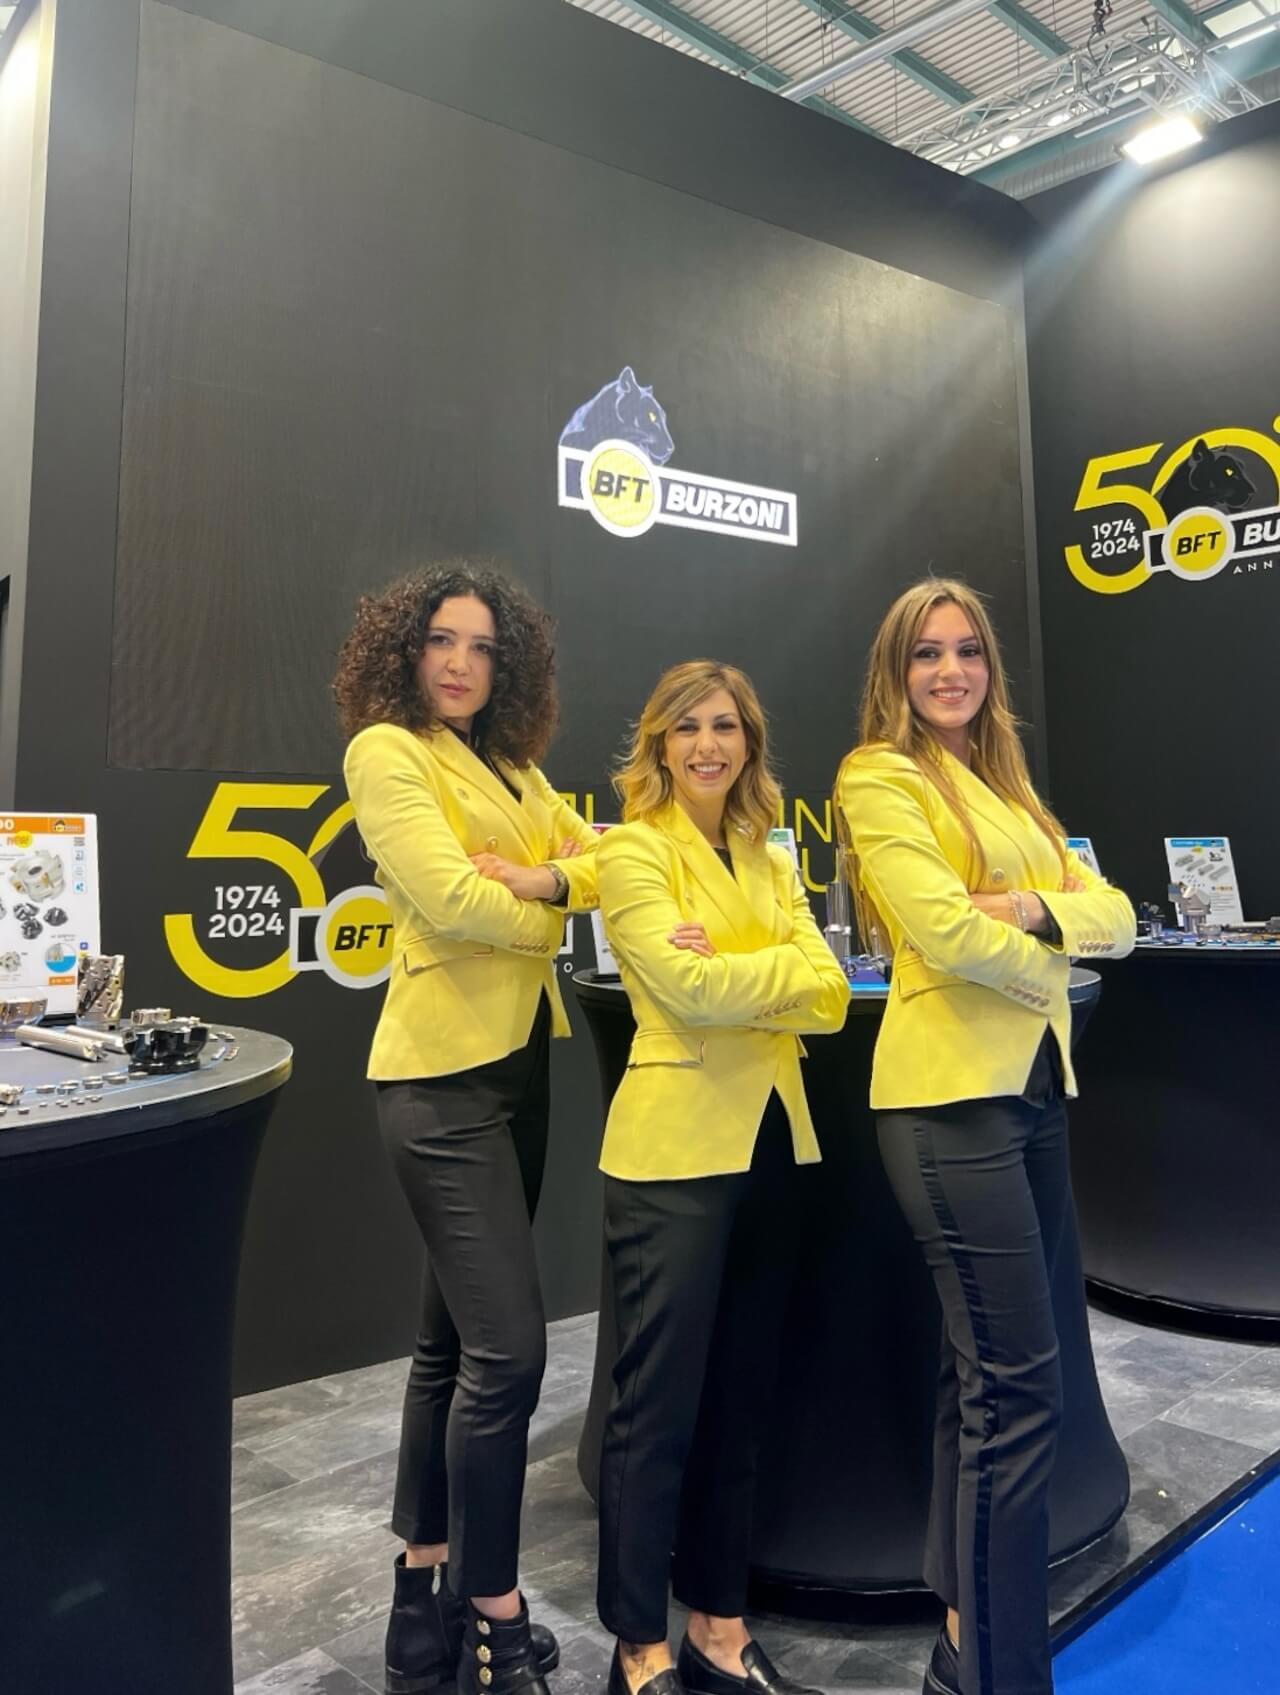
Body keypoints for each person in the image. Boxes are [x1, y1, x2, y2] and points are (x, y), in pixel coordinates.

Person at [834, 579, 1135, 1695]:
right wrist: (1048, 940)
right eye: (926, 653)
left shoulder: (1003, 783)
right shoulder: (879, 775)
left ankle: (966, 1647)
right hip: (948, 1103)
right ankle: (1005, 1672)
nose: (950, 670)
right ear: (896, 671)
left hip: (1030, 1092)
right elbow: (943, 933)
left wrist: (1030, 907)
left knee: (985, 1390)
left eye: (966, 651)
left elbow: (1116, 914)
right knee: (1017, 1397)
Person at [336, 562, 599, 1695]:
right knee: (510, 1353)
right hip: (439, 1082)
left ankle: (419, 1591)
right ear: (405, 650)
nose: (459, 663)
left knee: (448, 1346)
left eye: (482, 647)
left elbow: (601, 862)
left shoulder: (516, 770)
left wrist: (541, 879)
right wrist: (549, 905)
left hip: (518, 1071)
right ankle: (493, 1613)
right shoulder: (386, 752)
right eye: (442, 640)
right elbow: (447, 898)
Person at [592, 660, 851, 1695]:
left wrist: (740, 965)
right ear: (658, 742)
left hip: (773, 1143)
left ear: (749, 742)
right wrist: (768, 965)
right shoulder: (629, 851)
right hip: (672, 1155)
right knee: (655, 1410)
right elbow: (686, 991)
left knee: (740, 1400)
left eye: (727, 726)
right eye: (688, 726)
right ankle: (636, 1644)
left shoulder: (768, 854)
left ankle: (716, 1623)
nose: (708, 744)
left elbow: (830, 992)